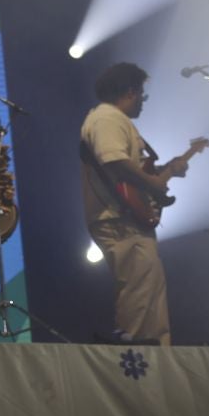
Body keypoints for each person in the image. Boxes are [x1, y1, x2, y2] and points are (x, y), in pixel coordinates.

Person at [78, 62, 183, 346]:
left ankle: (152, 356)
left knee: (147, 289)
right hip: (117, 218)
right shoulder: (107, 118)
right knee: (140, 290)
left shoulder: (112, 120)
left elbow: (125, 168)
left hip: (125, 218)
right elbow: (114, 161)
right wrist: (155, 184)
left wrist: (163, 170)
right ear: (131, 91)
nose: (143, 103)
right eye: (142, 96)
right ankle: (136, 360)